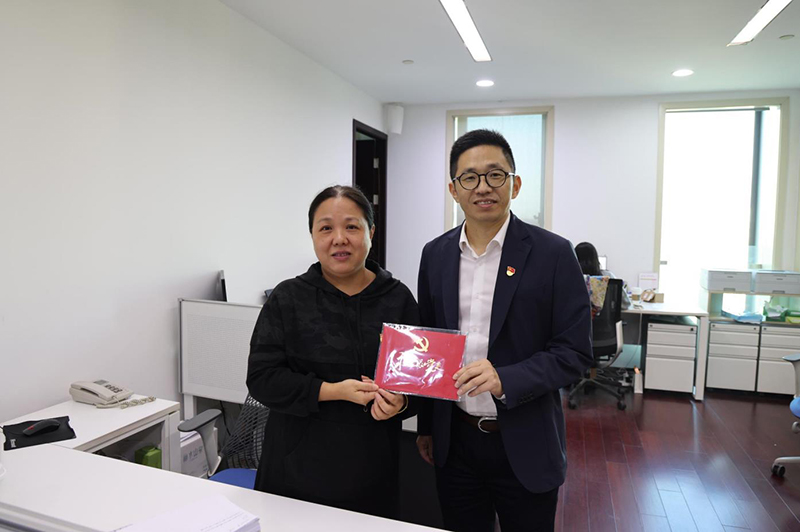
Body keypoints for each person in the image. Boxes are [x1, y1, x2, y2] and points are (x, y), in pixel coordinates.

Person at [415, 129, 592, 532]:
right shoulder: (435, 254)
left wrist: (505, 378)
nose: (483, 187)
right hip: (455, 441)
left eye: (495, 174)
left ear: (515, 184)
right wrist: (427, 426)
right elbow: (430, 343)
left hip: (526, 442)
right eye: (469, 177)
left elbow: (575, 352)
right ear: (453, 189)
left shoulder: (553, 253)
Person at [247, 185, 419, 518]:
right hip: (293, 470)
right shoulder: (288, 298)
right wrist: (332, 391)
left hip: (371, 470)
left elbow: (419, 386)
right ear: (312, 236)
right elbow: (261, 379)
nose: (339, 239)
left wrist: (401, 403)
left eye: (351, 226)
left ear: (370, 232)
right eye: (326, 228)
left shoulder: (398, 300)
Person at [575, 241, 632, 309]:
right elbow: (625, 304)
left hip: (578, 316)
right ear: (596, 259)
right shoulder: (608, 277)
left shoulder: (571, 278)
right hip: (603, 316)